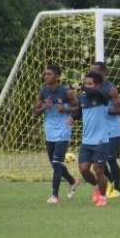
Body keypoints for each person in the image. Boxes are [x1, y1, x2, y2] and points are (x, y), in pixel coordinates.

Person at [35, 64, 80, 204]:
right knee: (55, 165)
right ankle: (72, 181)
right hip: (49, 132)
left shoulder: (66, 92)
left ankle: (55, 196)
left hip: (63, 131)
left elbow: (78, 107)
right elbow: (36, 112)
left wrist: (65, 110)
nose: (46, 76)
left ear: (58, 77)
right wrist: (44, 107)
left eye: (49, 74)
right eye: (45, 74)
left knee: (56, 162)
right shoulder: (42, 92)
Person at [68, 71, 110, 207]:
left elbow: (95, 94)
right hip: (87, 141)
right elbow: (80, 111)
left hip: (101, 141)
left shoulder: (103, 96)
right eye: (85, 83)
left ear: (98, 85)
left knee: (98, 169)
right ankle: (97, 186)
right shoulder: (83, 98)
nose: (86, 86)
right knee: (84, 169)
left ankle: (103, 197)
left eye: (90, 84)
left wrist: (83, 88)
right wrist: (73, 117)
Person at [92, 62, 120, 198]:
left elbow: (119, 109)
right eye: (92, 71)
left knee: (111, 160)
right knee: (99, 161)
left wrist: (105, 110)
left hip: (112, 130)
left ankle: (118, 188)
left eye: (97, 71)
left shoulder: (111, 89)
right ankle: (110, 183)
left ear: (104, 72)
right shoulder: (92, 87)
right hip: (98, 130)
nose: (94, 73)